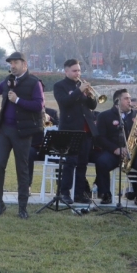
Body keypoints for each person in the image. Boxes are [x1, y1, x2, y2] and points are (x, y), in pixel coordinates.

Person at [0, 51, 44, 219]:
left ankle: (22, 208)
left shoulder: (34, 83)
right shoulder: (9, 80)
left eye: (16, 63)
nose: (12, 66)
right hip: (5, 130)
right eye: (11, 63)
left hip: (23, 133)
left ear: (24, 65)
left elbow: (38, 106)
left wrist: (18, 100)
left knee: (22, 169)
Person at [94, 89, 137, 206]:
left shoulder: (136, 114)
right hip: (113, 152)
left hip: (134, 152)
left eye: (130, 98)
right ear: (117, 101)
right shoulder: (104, 116)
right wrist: (115, 149)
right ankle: (105, 194)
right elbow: (100, 138)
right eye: (126, 99)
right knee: (101, 162)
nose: (129, 101)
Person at [53, 59, 99, 204]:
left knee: (82, 163)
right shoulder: (59, 86)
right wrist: (79, 91)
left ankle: (79, 194)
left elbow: (92, 105)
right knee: (70, 162)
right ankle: (65, 193)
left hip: (86, 130)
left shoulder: (81, 86)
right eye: (74, 71)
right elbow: (65, 102)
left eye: (79, 70)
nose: (77, 73)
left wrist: (90, 96)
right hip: (70, 129)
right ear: (66, 71)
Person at [26, 105, 59, 182]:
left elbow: (59, 127)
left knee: (60, 156)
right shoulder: (30, 114)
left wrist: (50, 119)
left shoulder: (52, 112)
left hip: (50, 149)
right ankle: (27, 185)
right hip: (36, 148)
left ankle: (60, 187)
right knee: (29, 153)